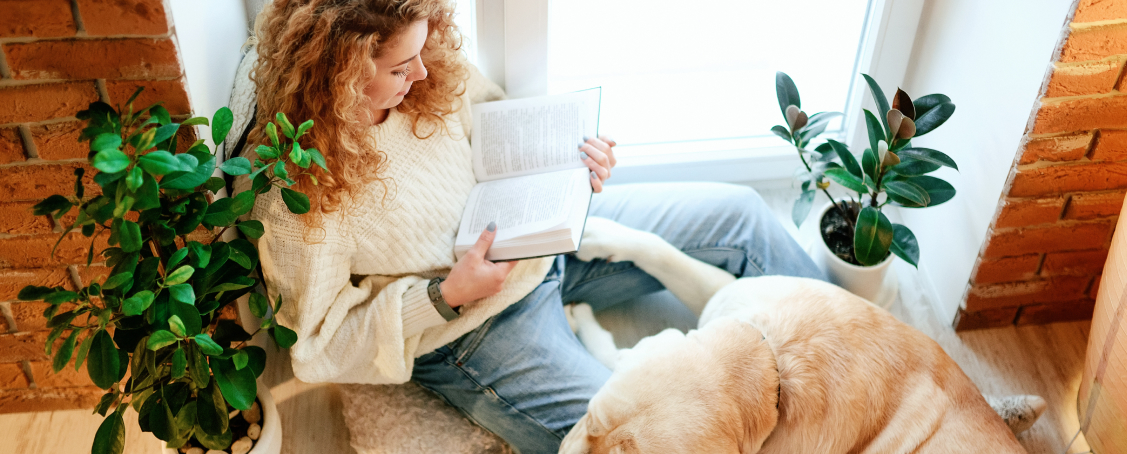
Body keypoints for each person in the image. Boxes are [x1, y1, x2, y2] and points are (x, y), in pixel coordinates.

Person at [242, 0, 825, 452]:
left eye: (423, 51)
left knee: (742, 216)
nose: (423, 71)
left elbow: (497, 125)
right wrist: (443, 297)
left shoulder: (428, 68)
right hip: (474, 327)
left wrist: (573, 166)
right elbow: (316, 346)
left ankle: (846, 359)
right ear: (342, 71)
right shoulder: (296, 191)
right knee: (636, 439)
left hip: (544, 242)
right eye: (400, 66)